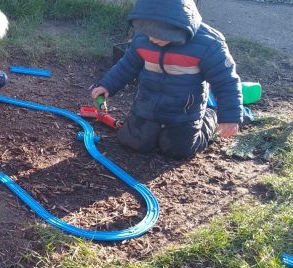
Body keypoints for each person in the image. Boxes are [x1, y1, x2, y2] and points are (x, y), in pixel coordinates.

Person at [91, 0, 243, 159]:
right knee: (132, 141)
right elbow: (127, 65)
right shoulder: (143, 39)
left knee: (178, 150)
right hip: (147, 106)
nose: (152, 38)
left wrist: (230, 116)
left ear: (179, 25)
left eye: (159, 33)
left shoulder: (209, 44)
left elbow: (226, 81)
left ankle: (210, 117)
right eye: (147, 31)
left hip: (183, 112)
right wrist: (107, 85)